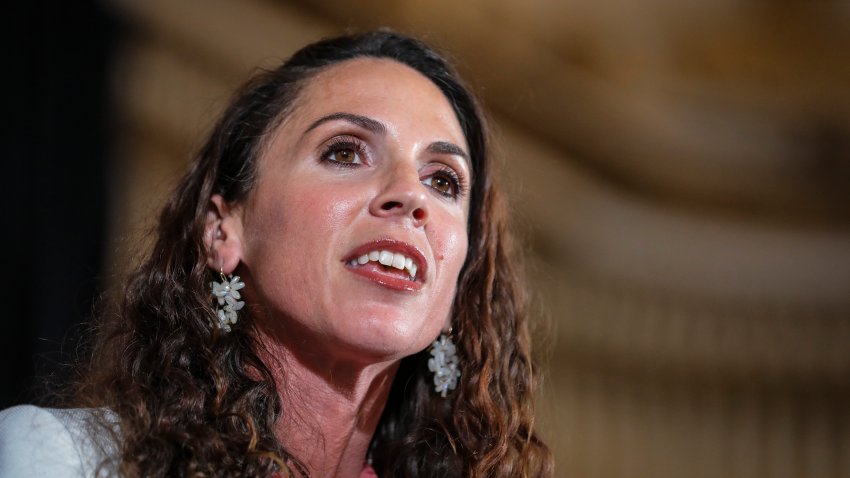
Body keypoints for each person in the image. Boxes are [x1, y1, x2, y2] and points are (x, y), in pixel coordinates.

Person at [0, 30, 552, 477]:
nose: (410, 194)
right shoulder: (55, 458)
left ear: (462, 279)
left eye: (444, 180)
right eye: (344, 151)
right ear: (223, 230)